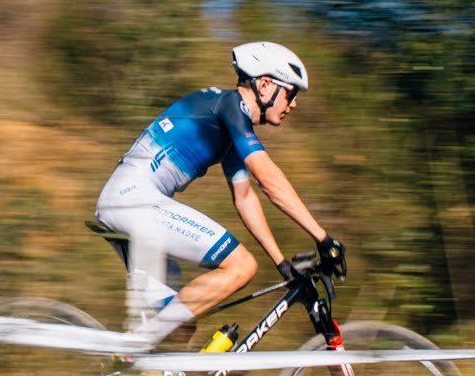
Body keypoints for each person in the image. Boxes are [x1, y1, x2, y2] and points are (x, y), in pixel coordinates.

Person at [95, 41, 346, 351]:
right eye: (291, 93)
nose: (293, 104)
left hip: (127, 202)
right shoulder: (231, 106)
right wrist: (323, 237)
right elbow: (268, 180)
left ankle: (134, 375)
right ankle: (132, 349)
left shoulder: (229, 124)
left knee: (179, 326)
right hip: (133, 200)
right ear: (264, 86)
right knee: (241, 266)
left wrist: (281, 263)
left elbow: (245, 198)